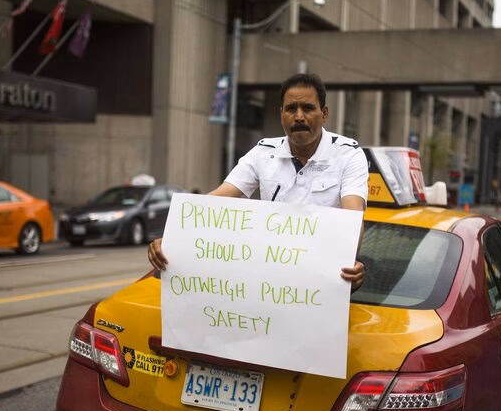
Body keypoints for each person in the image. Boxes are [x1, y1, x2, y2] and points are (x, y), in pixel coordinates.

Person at [147, 72, 368, 289]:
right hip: (269, 285)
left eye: (308, 108)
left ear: (324, 113)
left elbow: (353, 214)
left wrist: (350, 262)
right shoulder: (262, 152)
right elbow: (217, 200)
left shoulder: (348, 154)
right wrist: (172, 239)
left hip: (320, 284)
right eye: (291, 109)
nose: (299, 116)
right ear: (281, 114)